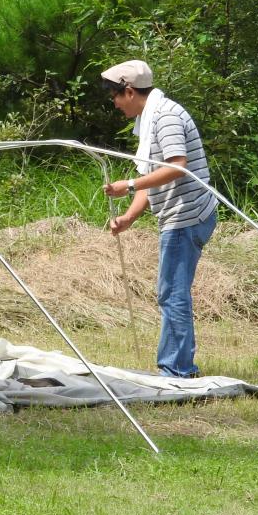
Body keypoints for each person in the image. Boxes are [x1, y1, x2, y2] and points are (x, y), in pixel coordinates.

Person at [101, 59, 218, 378]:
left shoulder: (165, 117)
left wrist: (129, 186)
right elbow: (150, 176)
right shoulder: (150, 118)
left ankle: (178, 369)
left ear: (129, 91)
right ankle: (179, 364)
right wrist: (128, 217)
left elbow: (176, 167)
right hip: (180, 215)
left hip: (188, 216)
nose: (114, 102)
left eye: (114, 95)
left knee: (172, 291)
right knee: (172, 290)